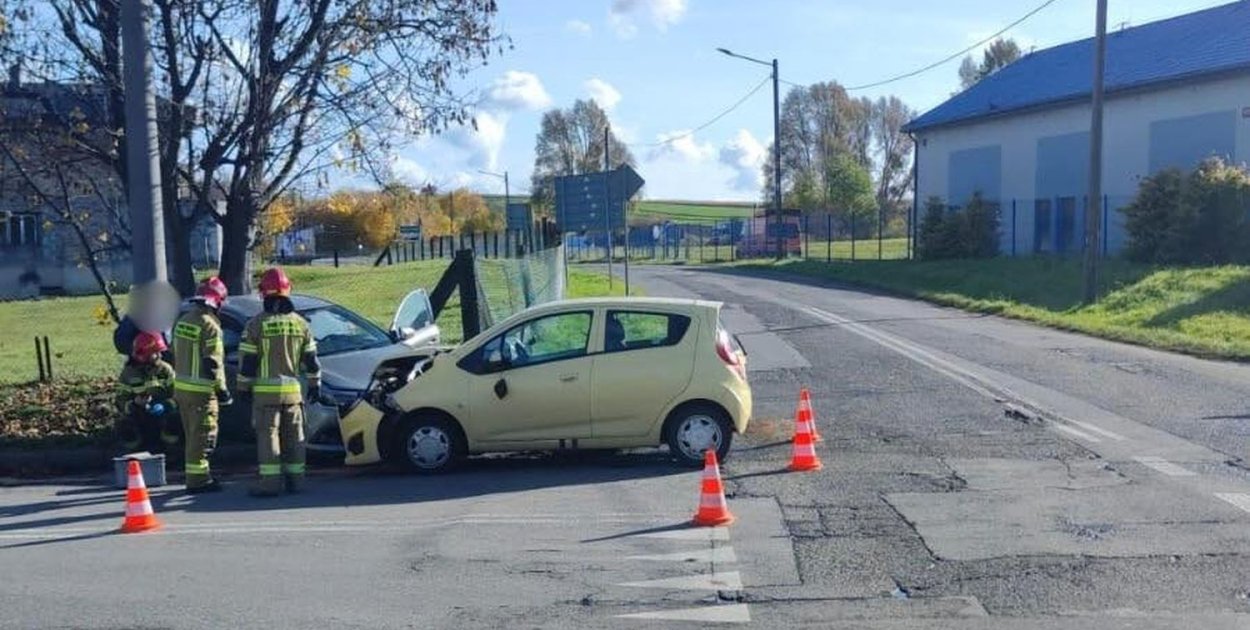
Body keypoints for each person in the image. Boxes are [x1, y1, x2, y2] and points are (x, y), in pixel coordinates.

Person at [238, 267, 321, 497]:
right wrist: (315, 384)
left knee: (269, 437)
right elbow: (311, 361)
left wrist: (243, 388)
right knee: (295, 438)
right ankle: (297, 481)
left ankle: (270, 484)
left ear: (264, 293)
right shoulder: (300, 324)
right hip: (293, 394)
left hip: (266, 396)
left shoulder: (255, 325)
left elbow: (248, 363)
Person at [172, 276, 232, 494]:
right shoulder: (210, 326)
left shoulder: (183, 321)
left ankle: (197, 476)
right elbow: (212, 363)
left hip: (182, 390)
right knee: (202, 437)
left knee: (192, 436)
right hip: (202, 393)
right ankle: (198, 481)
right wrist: (222, 391)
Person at [114, 331, 179, 453]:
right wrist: (134, 404)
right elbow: (120, 400)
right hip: (139, 413)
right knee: (124, 425)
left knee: (175, 420)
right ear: (144, 355)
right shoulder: (128, 374)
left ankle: (171, 450)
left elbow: (178, 394)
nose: (159, 355)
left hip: (163, 412)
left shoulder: (165, 369)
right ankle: (134, 451)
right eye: (155, 352)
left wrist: (166, 405)